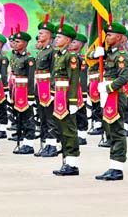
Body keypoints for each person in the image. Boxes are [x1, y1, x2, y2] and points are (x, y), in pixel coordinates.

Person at [93, 22, 128, 181]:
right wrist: (95, 54)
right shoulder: (108, 52)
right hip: (108, 95)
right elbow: (91, 58)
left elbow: (124, 78)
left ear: (118, 37)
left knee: (116, 130)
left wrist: (108, 87)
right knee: (109, 129)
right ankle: (113, 165)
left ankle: (117, 167)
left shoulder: (121, 55)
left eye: (110, 35)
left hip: (116, 95)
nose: (107, 37)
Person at [51, 21, 81, 176]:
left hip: (67, 95)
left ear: (68, 40)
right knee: (62, 129)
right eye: (56, 36)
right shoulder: (58, 55)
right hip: (59, 94)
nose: (56, 39)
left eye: (60, 37)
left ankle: (72, 163)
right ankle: (66, 160)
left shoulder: (72, 56)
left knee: (69, 129)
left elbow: (74, 79)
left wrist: (73, 101)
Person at [34, 17, 59, 157]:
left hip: (47, 87)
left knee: (50, 117)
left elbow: (54, 72)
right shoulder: (41, 51)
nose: (40, 35)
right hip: (40, 86)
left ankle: (53, 145)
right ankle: (46, 144)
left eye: (43, 33)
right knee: (42, 117)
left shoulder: (52, 52)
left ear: (50, 35)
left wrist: (52, 90)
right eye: (40, 33)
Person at [10, 28, 36, 155]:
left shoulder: (29, 58)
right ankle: (22, 139)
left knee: (28, 117)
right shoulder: (15, 56)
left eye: (19, 42)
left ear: (25, 43)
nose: (15, 44)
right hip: (17, 89)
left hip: (25, 90)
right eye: (15, 41)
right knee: (19, 116)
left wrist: (31, 96)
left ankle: (29, 143)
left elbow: (31, 79)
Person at [70, 31, 89, 146]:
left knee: (81, 112)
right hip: (71, 88)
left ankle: (82, 135)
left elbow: (83, 76)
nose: (71, 44)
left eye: (74, 42)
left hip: (81, 88)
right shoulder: (69, 56)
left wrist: (84, 91)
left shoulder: (83, 58)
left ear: (81, 44)